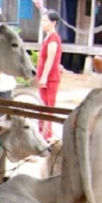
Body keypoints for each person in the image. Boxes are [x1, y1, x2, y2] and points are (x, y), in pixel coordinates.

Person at [37, 10, 63, 139]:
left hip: (50, 78)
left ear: (53, 23)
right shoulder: (47, 37)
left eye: (45, 21)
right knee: (42, 105)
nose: (43, 23)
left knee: (48, 107)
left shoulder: (53, 38)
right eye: (42, 20)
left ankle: (46, 135)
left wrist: (44, 77)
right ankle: (41, 132)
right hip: (45, 76)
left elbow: (50, 59)